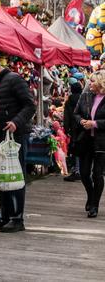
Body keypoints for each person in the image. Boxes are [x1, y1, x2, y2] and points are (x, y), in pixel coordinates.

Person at [0, 56, 35, 233]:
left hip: (15, 136)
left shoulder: (14, 79)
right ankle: (4, 216)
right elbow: (7, 107)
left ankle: (17, 218)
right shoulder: (3, 82)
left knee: (15, 175)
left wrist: (16, 122)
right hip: (4, 136)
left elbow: (30, 105)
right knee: (3, 174)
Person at [74, 70, 105, 218]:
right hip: (86, 139)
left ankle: (95, 205)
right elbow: (76, 113)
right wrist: (81, 121)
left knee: (97, 174)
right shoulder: (86, 95)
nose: (89, 83)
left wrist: (95, 123)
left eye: (92, 81)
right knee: (84, 173)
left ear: (100, 82)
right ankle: (91, 195)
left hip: (101, 142)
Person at [63, 81, 84, 182]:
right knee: (84, 148)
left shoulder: (69, 101)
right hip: (83, 126)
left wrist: (66, 129)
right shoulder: (84, 99)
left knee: (75, 149)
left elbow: (66, 117)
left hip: (74, 128)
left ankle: (77, 171)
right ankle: (83, 170)